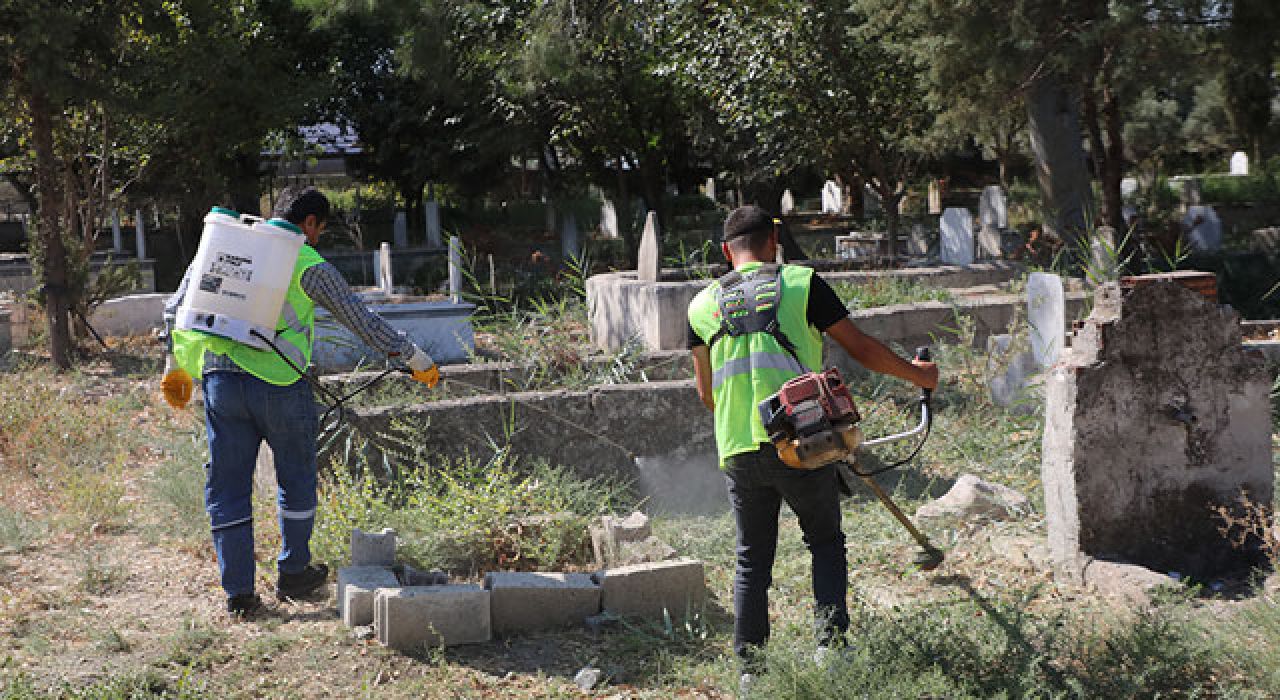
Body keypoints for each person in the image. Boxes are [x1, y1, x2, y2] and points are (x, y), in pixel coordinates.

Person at [160, 186, 440, 616]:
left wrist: (173, 366)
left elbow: (175, 309)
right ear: (309, 223)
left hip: (220, 382)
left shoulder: (224, 245)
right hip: (278, 384)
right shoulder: (304, 260)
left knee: (228, 486)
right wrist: (412, 357)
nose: (317, 238)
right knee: (296, 476)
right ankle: (293, 572)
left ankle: (239, 595)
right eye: (319, 230)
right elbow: (359, 318)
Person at [686, 205, 938, 683]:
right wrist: (920, 374)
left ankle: (752, 674)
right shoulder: (800, 284)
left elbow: (706, 393)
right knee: (824, 541)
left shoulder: (701, 305)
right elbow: (861, 348)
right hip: (803, 441)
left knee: (751, 558)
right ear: (774, 241)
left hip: (738, 445)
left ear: (726, 252)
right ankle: (831, 650)